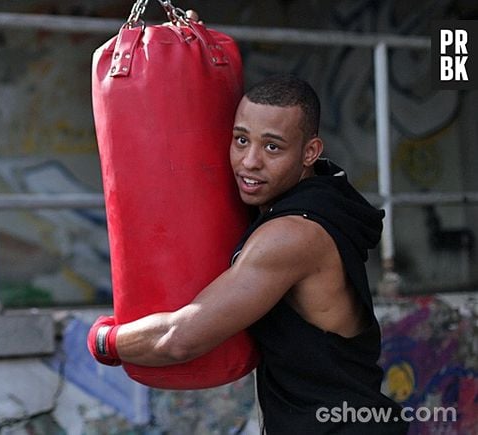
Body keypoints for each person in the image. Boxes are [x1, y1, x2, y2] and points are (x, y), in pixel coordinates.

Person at [88, 74, 408, 434]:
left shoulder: (291, 236)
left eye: (272, 147)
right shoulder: (323, 201)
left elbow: (179, 339)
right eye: (241, 140)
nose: (249, 161)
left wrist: (104, 339)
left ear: (310, 152)